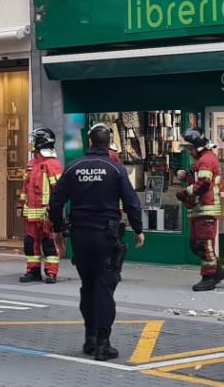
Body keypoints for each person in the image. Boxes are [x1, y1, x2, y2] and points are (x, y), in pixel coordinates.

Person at [49, 122, 143, 361]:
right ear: (109, 143)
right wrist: (139, 229)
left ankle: (90, 337)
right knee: (104, 286)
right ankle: (103, 343)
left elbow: (56, 202)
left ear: (90, 141)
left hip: (80, 236)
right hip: (106, 236)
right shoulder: (115, 168)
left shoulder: (73, 168)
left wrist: (58, 230)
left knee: (88, 285)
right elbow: (131, 202)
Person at [178, 127, 224, 292]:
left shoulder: (205, 160)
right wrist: (186, 175)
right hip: (201, 209)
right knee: (196, 244)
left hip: (206, 208)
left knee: (204, 243)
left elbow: (204, 183)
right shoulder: (205, 159)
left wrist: (185, 193)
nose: (189, 151)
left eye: (190, 148)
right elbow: (199, 176)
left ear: (197, 146)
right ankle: (217, 271)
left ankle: (209, 276)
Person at [18, 126, 62, 284]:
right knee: (30, 243)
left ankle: (51, 272)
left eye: (34, 141)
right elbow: (25, 187)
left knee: (49, 244)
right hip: (31, 214)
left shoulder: (53, 165)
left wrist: (54, 210)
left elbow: (59, 191)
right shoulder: (31, 164)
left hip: (46, 213)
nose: (32, 144)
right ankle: (33, 270)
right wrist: (20, 205)